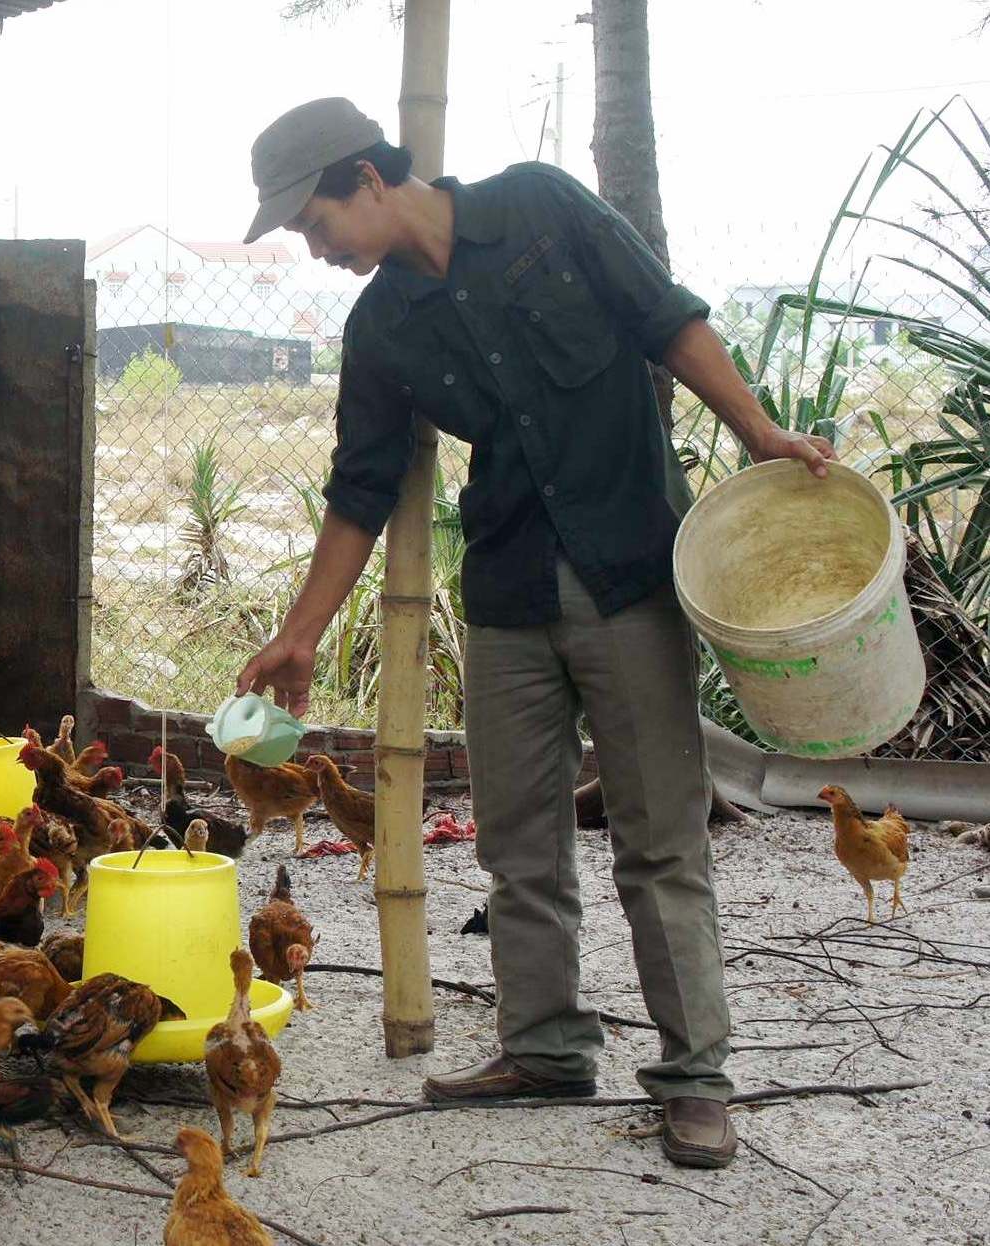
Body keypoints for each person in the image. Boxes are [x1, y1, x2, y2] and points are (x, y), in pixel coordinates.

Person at [234, 97, 835, 1170]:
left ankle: (695, 1080)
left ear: (366, 177)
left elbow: (666, 318)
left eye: (314, 223)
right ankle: (546, 1048)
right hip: (508, 594)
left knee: (658, 842)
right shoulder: (381, 327)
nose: (314, 249)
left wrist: (757, 432)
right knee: (517, 845)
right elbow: (359, 486)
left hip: (628, 572)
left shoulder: (539, 207)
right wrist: (299, 633)